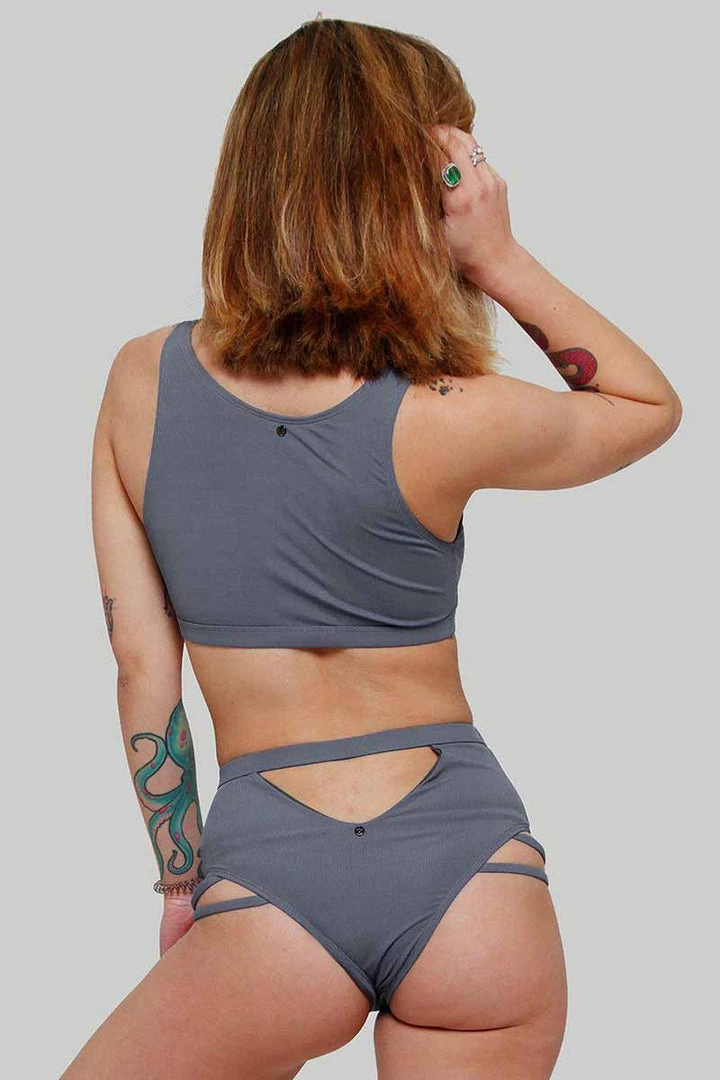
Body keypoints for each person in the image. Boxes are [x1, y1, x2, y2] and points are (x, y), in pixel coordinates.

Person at [62, 17, 682, 1080]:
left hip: (272, 881)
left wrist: (179, 883)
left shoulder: (140, 384)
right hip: (473, 873)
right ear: (418, 190)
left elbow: (140, 668)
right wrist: (498, 256)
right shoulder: (449, 410)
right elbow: (644, 404)